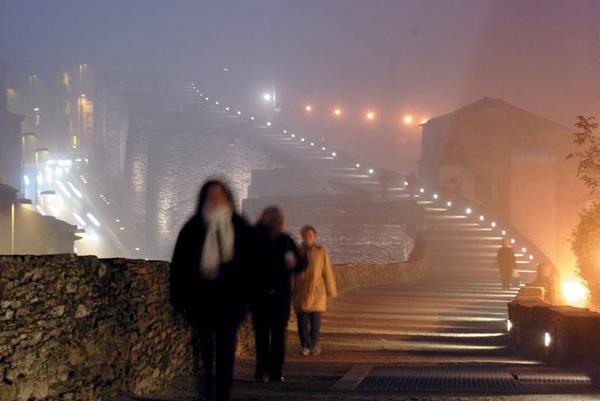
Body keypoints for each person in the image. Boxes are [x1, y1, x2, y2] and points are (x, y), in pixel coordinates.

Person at [170, 180, 252, 401]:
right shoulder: (194, 227)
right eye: (211, 195)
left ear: (227, 198)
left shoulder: (238, 225)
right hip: (201, 297)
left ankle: (223, 391)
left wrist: (249, 296)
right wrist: (178, 297)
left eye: (219, 195)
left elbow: (252, 263)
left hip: (230, 298)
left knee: (226, 346)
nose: (215, 199)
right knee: (204, 344)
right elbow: (180, 264)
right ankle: (207, 385)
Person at [250, 206, 306, 383]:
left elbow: (298, 264)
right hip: (275, 294)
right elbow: (299, 265)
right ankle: (274, 371)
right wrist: (294, 264)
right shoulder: (284, 240)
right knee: (277, 334)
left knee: (263, 334)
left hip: (263, 293)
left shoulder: (257, 237)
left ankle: (263, 370)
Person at [293, 225, 337, 356]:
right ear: (302, 236)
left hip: (318, 292)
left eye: (310, 235)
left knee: (316, 323)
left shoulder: (321, 251)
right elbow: (292, 272)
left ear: (315, 236)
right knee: (302, 322)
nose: (308, 237)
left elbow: (327, 271)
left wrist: (331, 290)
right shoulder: (298, 251)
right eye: (305, 235)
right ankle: (305, 345)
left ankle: (314, 344)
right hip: (301, 292)